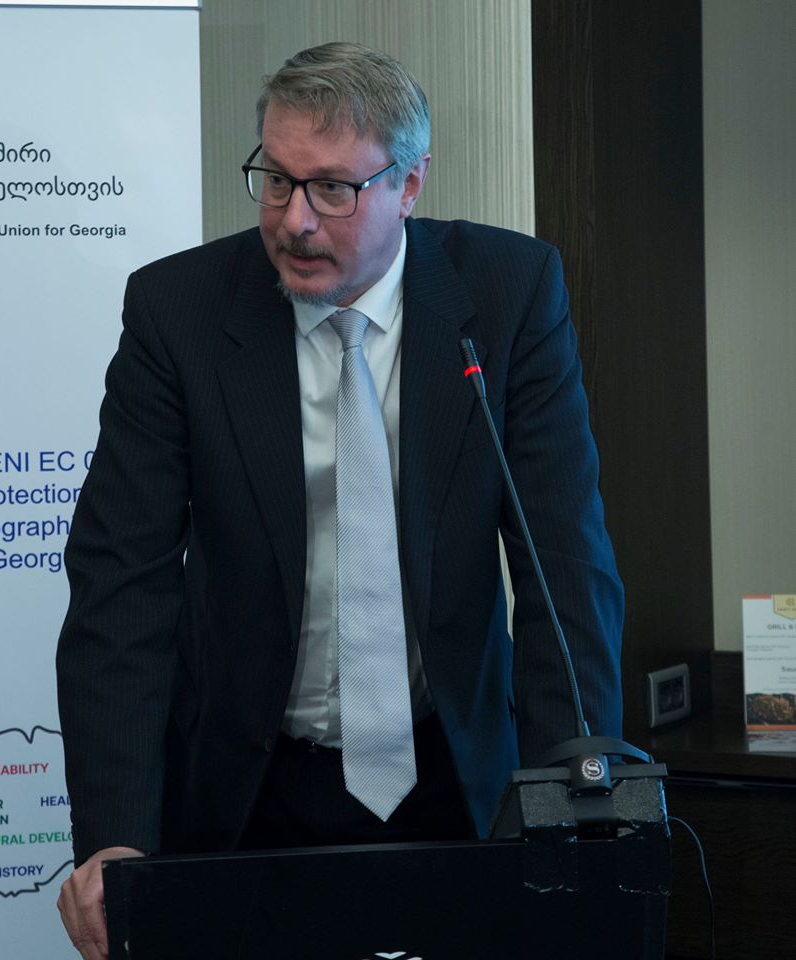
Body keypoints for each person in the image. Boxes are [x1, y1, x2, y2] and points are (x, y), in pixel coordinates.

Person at [56, 41, 623, 959]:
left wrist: (575, 791)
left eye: (331, 189)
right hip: (245, 783)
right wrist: (115, 837)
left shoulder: (507, 294)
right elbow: (122, 584)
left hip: (455, 772)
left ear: (409, 184)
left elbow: (564, 565)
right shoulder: (179, 311)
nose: (294, 221)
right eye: (276, 180)